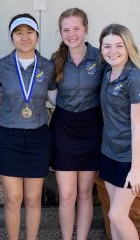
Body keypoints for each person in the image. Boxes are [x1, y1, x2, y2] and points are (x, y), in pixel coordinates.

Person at [0, 13, 56, 240]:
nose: (24, 37)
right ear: (12, 37)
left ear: (37, 36)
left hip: (38, 138)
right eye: (19, 33)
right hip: (9, 138)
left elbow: (57, 100)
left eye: (29, 32)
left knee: (33, 199)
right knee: (13, 199)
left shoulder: (47, 66)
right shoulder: (1, 66)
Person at [49, 8, 104, 240]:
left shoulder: (101, 58)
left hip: (92, 128)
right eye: (66, 29)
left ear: (86, 30)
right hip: (64, 129)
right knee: (67, 195)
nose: (71, 34)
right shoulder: (55, 60)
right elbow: (49, 94)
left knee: (84, 194)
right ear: (60, 32)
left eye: (76, 29)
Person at [99, 24, 140, 240]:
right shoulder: (107, 73)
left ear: (128, 47)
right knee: (112, 215)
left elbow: (138, 126)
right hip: (108, 153)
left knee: (118, 214)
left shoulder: (134, 77)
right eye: (107, 46)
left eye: (118, 45)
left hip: (128, 158)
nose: (112, 51)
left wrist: (136, 169)